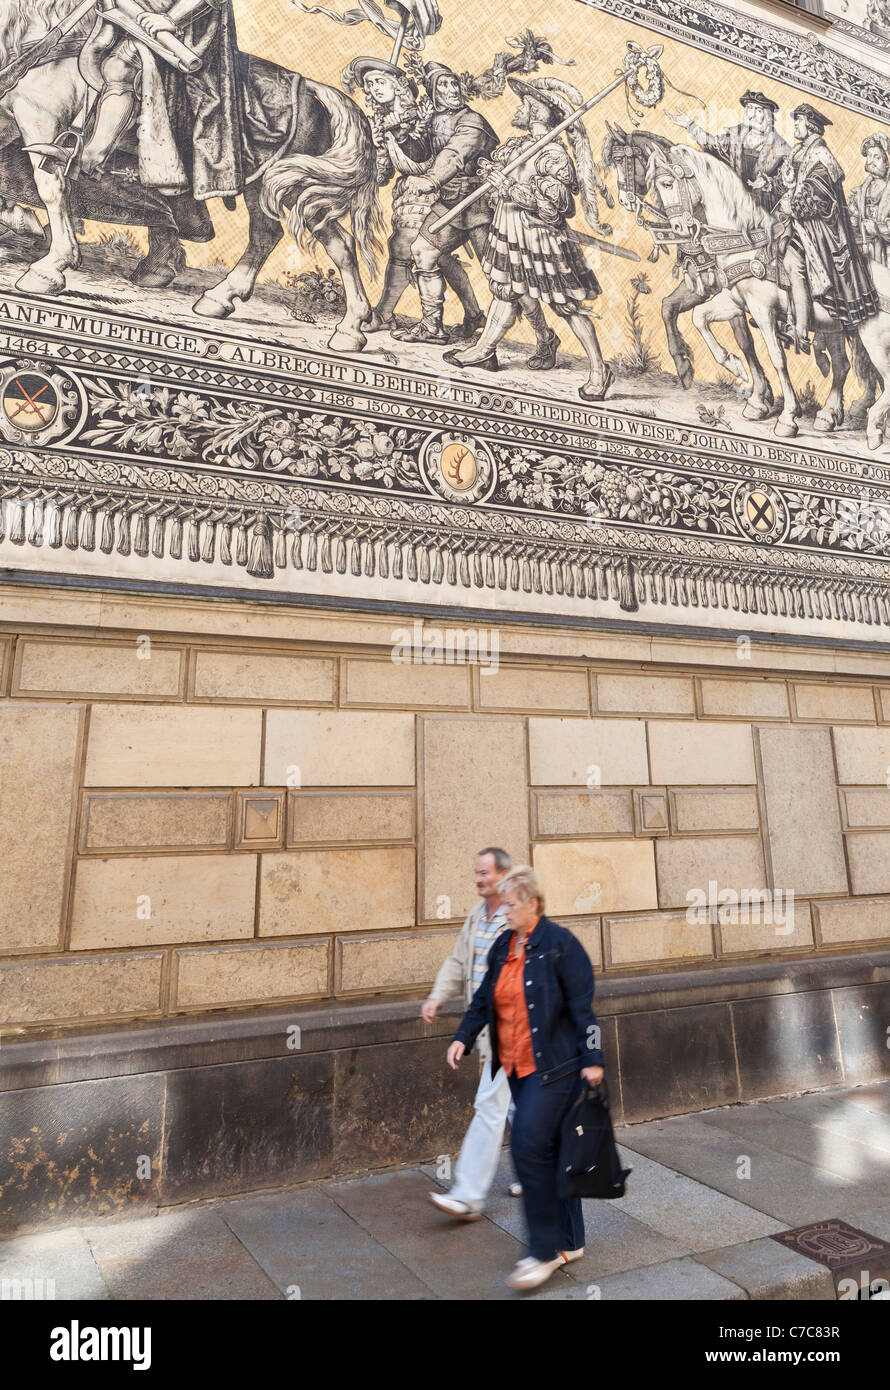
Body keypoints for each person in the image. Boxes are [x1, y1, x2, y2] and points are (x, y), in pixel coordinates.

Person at [446, 865, 605, 1292]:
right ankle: (571, 1240)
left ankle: (543, 1250)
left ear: (532, 904)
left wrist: (593, 1056)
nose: (504, 912)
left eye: (511, 905)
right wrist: (462, 1037)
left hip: (556, 1068)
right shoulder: (504, 946)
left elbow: (583, 1006)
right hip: (514, 1067)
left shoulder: (560, 945)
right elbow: (483, 1000)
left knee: (528, 1145)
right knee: (552, 1153)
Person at [442, 76, 614, 400]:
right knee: (506, 292)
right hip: (510, 234)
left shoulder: (554, 156)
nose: (519, 108)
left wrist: (510, 188)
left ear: (538, 110)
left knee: (566, 307)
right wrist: (489, 173)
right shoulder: (519, 147)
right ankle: (484, 349)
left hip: (539, 239)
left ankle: (599, 370)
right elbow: (493, 170)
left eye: (526, 103)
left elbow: (555, 209)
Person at [344, 56, 485, 337]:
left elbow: (425, 157)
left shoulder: (424, 113)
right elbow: (383, 174)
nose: (374, 88)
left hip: (436, 190)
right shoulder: (382, 122)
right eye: (370, 84)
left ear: (398, 85)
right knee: (437, 258)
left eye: (380, 81)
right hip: (408, 194)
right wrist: (376, 146)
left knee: (407, 248)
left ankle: (387, 314)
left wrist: (401, 131)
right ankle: (473, 314)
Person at [422, 847, 521, 1217]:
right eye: (476, 872)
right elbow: (459, 960)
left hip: (511, 1032)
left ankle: (468, 1194)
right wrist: (438, 998)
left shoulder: (515, 918)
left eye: (485, 872)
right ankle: (543, 1172)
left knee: (490, 1106)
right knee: (516, 1106)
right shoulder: (477, 916)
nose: (478, 879)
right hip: (484, 1029)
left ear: (503, 875)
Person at [77, 0, 244, 202]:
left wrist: (170, 18)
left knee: (119, 68)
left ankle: (91, 157)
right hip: (133, 11)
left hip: (183, 24)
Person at [391, 63, 504, 344]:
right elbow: (423, 155)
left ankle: (544, 335)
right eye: (443, 85)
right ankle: (432, 327)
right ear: (433, 92)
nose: (452, 90)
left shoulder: (472, 121)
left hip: (482, 205)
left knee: (500, 275)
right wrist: (406, 138)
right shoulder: (431, 120)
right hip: (451, 203)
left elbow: (454, 154)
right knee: (423, 251)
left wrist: (431, 181)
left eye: (454, 84)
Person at [778, 103, 879, 354]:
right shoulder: (801, 152)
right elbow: (793, 182)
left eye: (799, 122)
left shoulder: (821, 156)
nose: (796, 126)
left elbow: (818, 196)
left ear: (811, 126)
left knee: (793, 261)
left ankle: (799, 329)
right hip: (802, 221)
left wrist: (794, 207)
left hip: (821, 228)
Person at [668, 90, 790, 211]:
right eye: (749, 109)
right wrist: (690, 125)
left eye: (757, 110)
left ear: (768, 115)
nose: (751, 115)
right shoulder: (735, 135)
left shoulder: (780, 147)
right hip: (732, 200)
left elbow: (788, 180)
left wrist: (768, 183)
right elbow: (712, 144)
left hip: (763, 206)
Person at [849, 134, 890, 266]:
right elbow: (854, 215)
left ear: (886, 161)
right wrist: (853, 221)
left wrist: (877, 228)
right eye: (869, 156)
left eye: (876, 157)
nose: (870, 161)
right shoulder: (861, 191)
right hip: (867, 252)